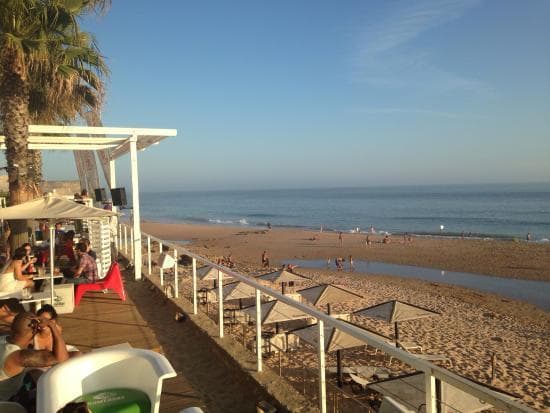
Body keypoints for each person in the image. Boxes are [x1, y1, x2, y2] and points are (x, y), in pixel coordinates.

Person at [0, 312, 69, 404]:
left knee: (36, 373)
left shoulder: (4, 338)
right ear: (35, 331)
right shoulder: (20, 356)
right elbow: (62, 359)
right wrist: (52, 326)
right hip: (6, 401)